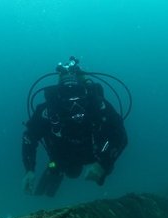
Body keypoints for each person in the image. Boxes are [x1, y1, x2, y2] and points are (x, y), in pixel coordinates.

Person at [22, 56, 130, 197]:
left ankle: (93, 168)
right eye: (67, 95)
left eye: (77, 94)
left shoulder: (97, 104)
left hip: (95, 154)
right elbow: (29, 137)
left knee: (102, 171)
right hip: (61, 157)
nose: (73, 103)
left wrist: (103, 163)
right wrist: (29, 170)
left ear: (84, 90)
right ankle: (54, 173)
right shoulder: (48, 110)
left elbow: (120, 135)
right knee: (64, 170)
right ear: (58, 94)